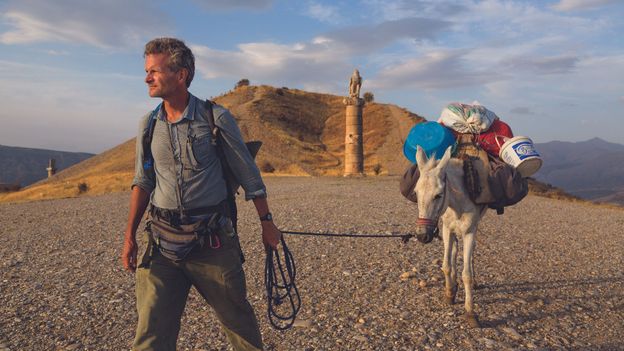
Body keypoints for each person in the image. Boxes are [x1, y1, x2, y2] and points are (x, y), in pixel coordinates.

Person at [121, 37, 281, 351]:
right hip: (162, 244)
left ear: (181, 75)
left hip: (212, 244)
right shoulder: (148, 125)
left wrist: (267, 223)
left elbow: (250, 177)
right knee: (150, 331)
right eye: (146, 71)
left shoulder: (216, 119)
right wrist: (129, 236)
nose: (146, 78)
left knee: (239, 325)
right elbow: (143, 181)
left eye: (154, 71)